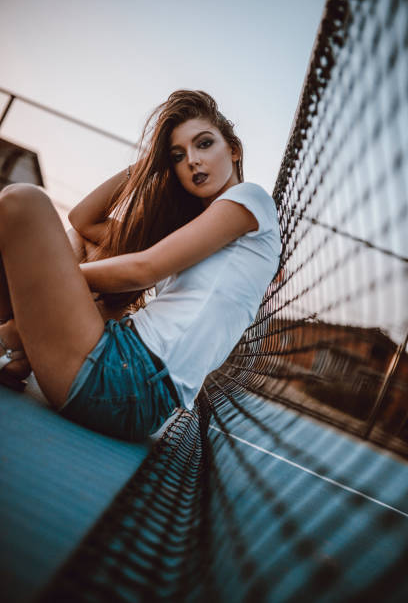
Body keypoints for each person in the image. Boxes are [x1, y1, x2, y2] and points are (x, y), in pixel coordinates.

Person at [0, 90, 281, 441]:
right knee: (78, 239)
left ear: (234, 150)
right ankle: (16, 343)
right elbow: (84, 221)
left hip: (127, 380)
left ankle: (13, 336)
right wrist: (148, 164)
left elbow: (142, 270)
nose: (192, 160)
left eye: (204, 144)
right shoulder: (194, 233)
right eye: (178, 155)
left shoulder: (249, 197)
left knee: (22, 200)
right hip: (130, 380)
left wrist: (48, 281)